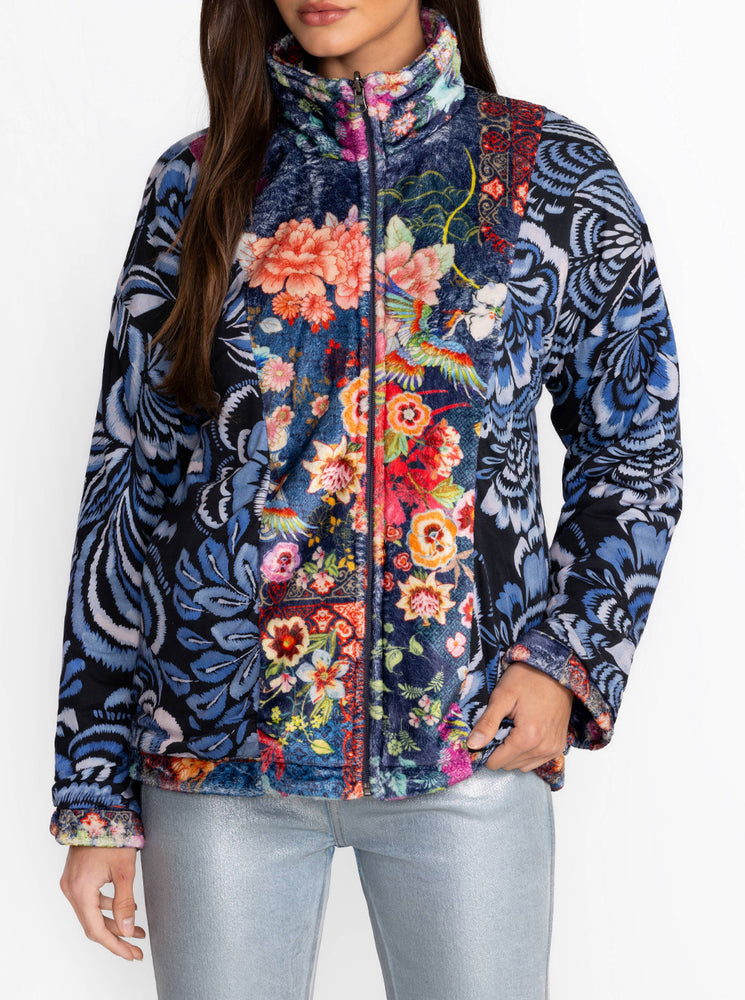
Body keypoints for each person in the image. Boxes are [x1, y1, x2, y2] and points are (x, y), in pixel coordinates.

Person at [50, 1, 683, 997]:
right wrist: (95, 795)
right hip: (217, 763)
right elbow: (128, 479)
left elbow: (633, 440)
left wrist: (565, 657)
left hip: (465, 747)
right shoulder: (196, 181)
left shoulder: (546, 172)